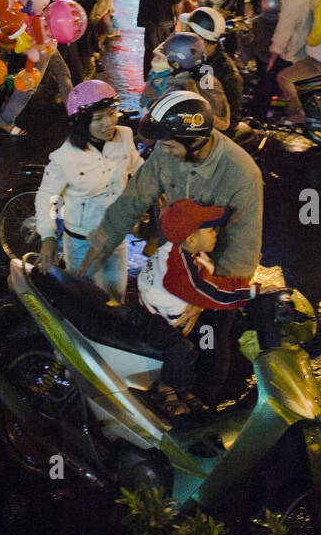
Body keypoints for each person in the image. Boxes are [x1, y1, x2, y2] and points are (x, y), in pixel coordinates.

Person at [81, 90, 263, 405]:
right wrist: (98, 246)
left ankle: (204, 410)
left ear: (195, 141)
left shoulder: (241, 174)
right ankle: (166, 397)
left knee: (208, 343)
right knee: (165, 342)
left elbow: (242, 250)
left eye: (168, 144)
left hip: (213, 278)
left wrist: (201, 300)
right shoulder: (168, 151)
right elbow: (135, 197)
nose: (160, 151)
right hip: (172, 267)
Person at [137, 198, 260, 416]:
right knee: (183, 350)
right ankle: (167, 390)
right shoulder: (177, 270)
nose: (216, 233)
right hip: (155, 322)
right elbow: (212, 292)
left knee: (206, 342)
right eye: (211, 230)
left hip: (171, 313)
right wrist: (253, 292)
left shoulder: (184, 254)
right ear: (192, 240)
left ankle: (185, 389)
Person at [34, 81, 142, 301]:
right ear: (82, 122)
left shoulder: (124, 137)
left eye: (112, 114)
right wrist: (47, 238)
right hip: (81, 242)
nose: (108, 123)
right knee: (85, 297)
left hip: (115, 236)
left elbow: (138, 168)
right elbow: (46, 197)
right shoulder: (65, 157)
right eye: (98, 118)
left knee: (116, 294)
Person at [254, 0, 318, 120]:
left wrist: (274, 56)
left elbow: (284, 32)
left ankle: (257, 123)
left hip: (295, 52)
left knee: (263, 88)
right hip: (308, 47)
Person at [180, 5, 243, 131]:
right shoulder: (192, 58)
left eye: (188, 31)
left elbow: (230, 123)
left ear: (200, 40)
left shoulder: (227, 74)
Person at [0, 44, 74, 137]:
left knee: (62, 72)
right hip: (39, 43)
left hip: (47, 41)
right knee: (30, 84)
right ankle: (5, 120)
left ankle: (73, 109)